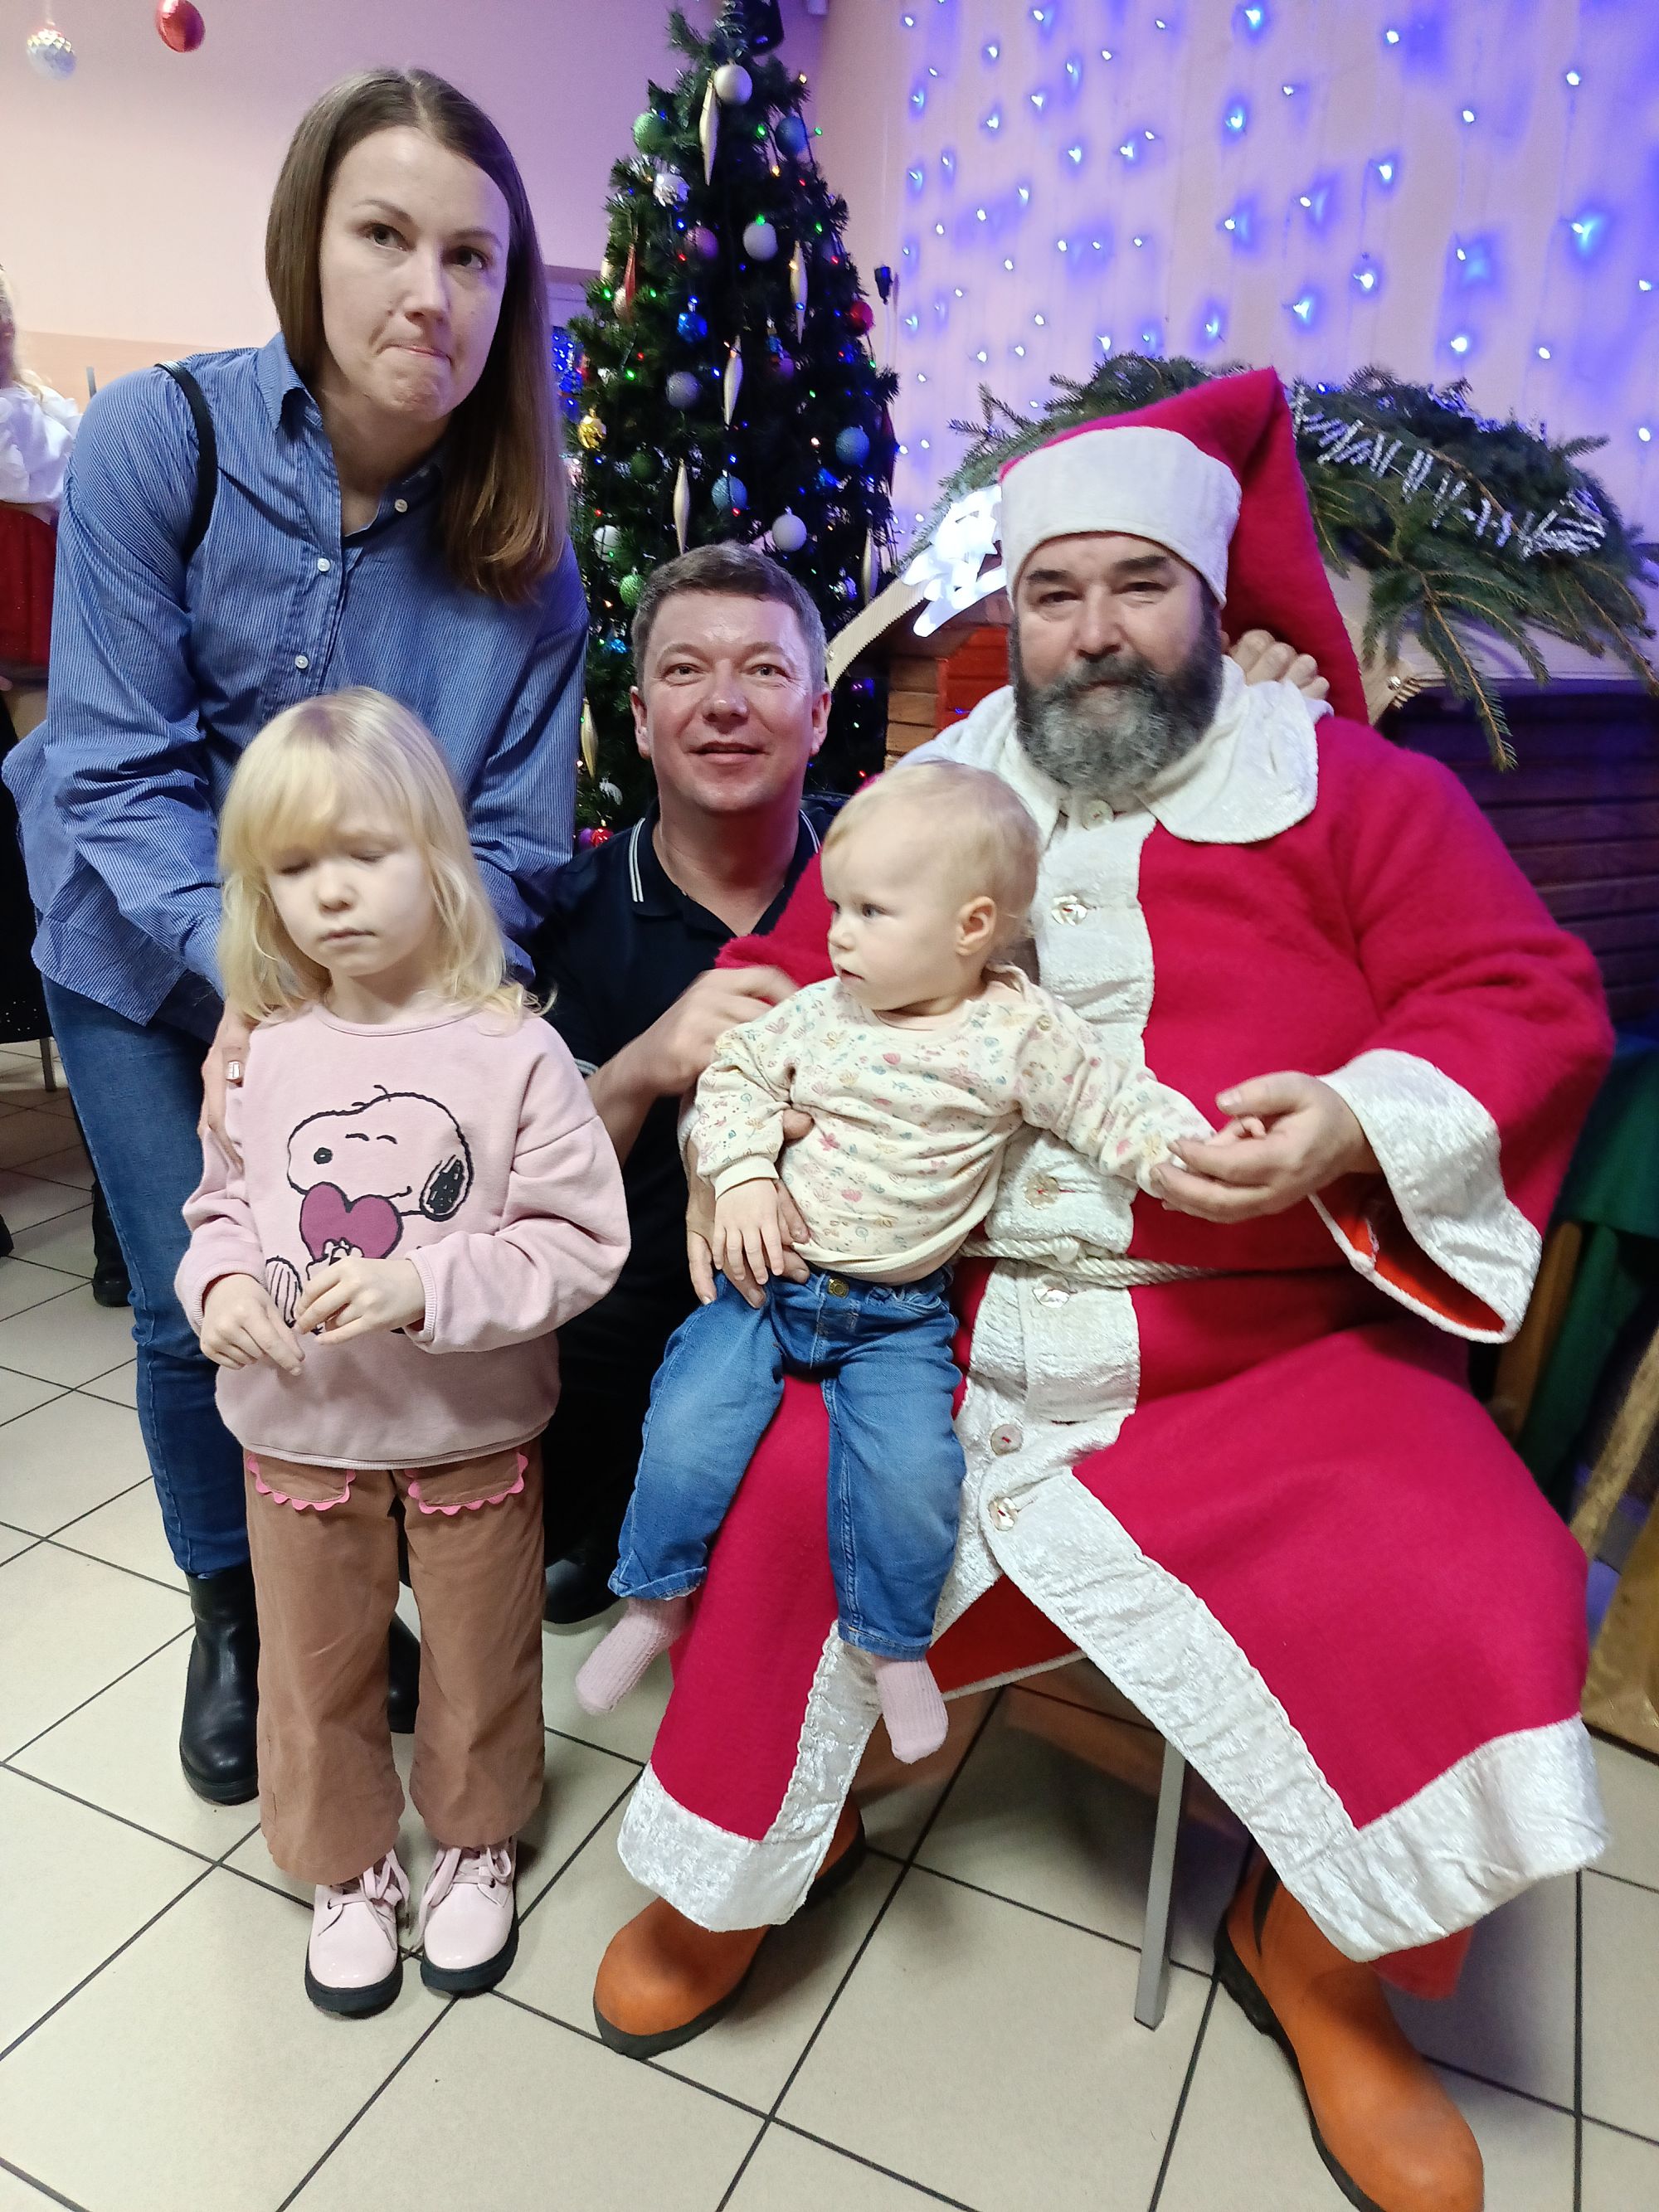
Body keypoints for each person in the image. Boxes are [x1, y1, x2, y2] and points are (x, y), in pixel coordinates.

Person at [588, 371, 1613, 2212]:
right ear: (1017, 614)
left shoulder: (1358, 791)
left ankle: (1316, 1950)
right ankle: (756, 1854)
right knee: (768, 1484)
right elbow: (806, 1000)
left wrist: (1356, 1120)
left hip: (1265, 1340)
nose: (1094, 630)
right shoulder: (935, 799)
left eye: (1140, 584)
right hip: (935, 1317)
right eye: (1054, 592)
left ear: (1211, 601)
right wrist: (743, 1137)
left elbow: (1525, 998)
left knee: (1478, 1571)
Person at [2, 70, 586, 1809]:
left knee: (372, 1278)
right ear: (306, 247)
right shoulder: (156, 440)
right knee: (207, 1303)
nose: (431, 292)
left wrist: (399, 1016)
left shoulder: (527, 553)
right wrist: (263, 991)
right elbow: (112, 769)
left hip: (389, 997)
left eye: (473, 257)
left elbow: (517, 846)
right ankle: (234, 1613)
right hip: (133, 946)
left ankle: (342, 1582)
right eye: (386, 237)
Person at [577, 761, 1214, 1756]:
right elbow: (737, 1071)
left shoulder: (1018, 1034)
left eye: (870, 912)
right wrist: (740, 1174)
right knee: (687, 1429)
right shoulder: (821, 1010)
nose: (836, 936)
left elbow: (1109, 1104)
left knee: (914, 1478)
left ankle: (892, 1647)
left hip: (899, 1318)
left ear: (969, 927)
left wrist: (1188, 1161)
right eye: (836, 907)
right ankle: (654, 1601)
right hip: (765, 1288)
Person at [175, 691, 626, 2015]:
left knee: (480, 1656)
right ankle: (346, 1861)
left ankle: (477, 1838)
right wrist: (218, 1286)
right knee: (316, 1664)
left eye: (363, 854)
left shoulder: (515, 1050)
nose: (329, 893)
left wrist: (425, 1279)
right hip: (298, 1429)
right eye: (293, 867)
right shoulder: (261, 1054)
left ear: (435, 854)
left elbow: (578, 1241)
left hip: (469, 1428)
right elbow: (218, 1208)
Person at [533, 543, 841, 1625]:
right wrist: (641, 1066)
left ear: (818, 713)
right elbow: (513, 1183)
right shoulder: (565, 910)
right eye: (683, 671)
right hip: (616, 1329)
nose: (723, 704)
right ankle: (616, 1514)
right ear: (639, 715)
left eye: (764, 670)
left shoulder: (888, 880)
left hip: (843, 1311)